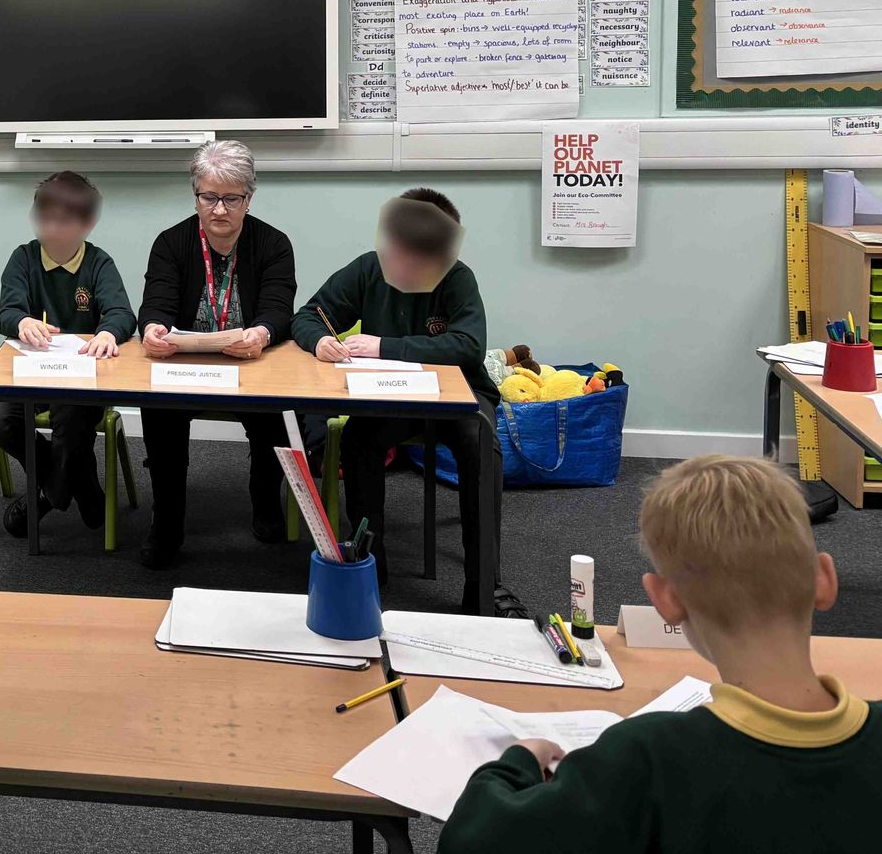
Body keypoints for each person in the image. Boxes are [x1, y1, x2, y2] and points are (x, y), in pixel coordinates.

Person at [439, 455, 881, 853]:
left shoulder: (646, 757)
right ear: (825, 578)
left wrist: (516, 762)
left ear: (665, 600)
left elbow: (471, 841)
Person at [291, 187, 524, 616]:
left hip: (460, 396)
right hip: (390, 397)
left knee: (481, 443)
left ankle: (483, 587)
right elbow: (308, 315)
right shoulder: (367, 269)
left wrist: (383, 346)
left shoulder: (458, 278)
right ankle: (367, 567)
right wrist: (321, 339)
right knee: (360, 439)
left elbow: (467, 347)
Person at [136, 140, 296, 569]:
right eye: (209, 197)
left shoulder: (274, 244)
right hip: (186, 365)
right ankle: (166, 524)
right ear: (196, 196)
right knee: (159, 411)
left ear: (250, 197)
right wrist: (152, 329)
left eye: (231, 198)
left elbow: (281, 310)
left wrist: (261, 333)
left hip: (250, 364)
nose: (219, 210)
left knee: (276, 415)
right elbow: (156, 303)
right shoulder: (171, 242)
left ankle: (265, 502)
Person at [0, 171, 137, 536]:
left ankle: (49, 494)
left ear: (87, 223)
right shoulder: (23, 259)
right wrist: (22, 321)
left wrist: (106, 331)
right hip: (32, 377)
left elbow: (123, 314)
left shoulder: (98, 263)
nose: (52, 229)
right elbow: (6, 312)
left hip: (81, 383)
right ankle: (75, 484)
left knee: (70, 415)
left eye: (64, 221)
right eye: (45, 219)